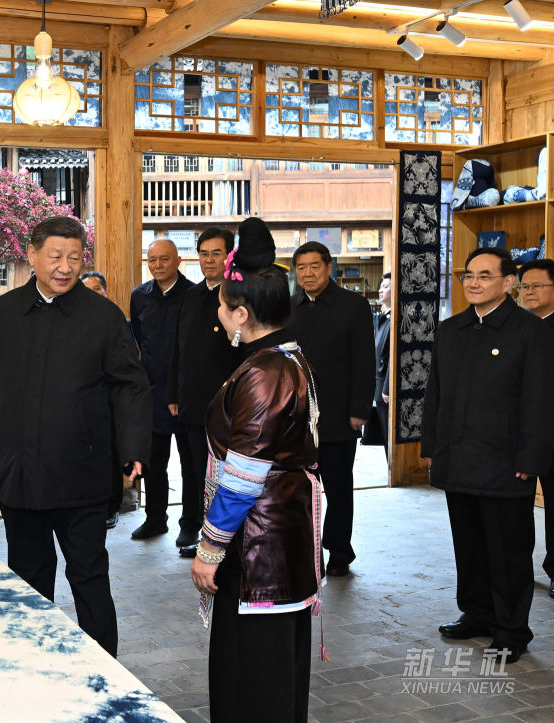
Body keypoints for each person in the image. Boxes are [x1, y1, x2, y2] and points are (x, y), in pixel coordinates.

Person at [0, 216, 151, 656]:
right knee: (27, 576)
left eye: (74, 257)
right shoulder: (7, 311)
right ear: (31, 256)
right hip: (20, 471)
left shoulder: (104, 316)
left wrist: (132, 449)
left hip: (81, 472)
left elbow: (131, 384)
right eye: (55, 256)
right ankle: (33, 662)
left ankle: (105, 666)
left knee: (88, 573)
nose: (65, 267)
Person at [190, 217, 322, 723]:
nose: (218, 316)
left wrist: (209, 549)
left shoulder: (265, 372)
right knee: (265, 668)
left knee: (256, 674)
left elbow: (243, 476)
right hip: (275, 532)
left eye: (222, 307)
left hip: (259, 541)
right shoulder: (282, 357)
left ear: (241, 313)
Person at [423, 247, 554, 664]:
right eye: (468, 275)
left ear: (508, 282)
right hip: (458, 458)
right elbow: (434, 396)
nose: (473, 282)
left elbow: (539, 400)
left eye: (484, 275)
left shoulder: (530, 331)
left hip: (506, 463)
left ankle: (512, 630)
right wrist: (432, 448)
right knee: (470, 545)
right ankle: (476, 614)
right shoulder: (451, 329)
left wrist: (530, 459)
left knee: (508, 551)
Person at [290, 241, 375, 577]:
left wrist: (360, 410)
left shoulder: (353, 305)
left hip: (339, 413)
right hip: (296, 416)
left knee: (338, 488)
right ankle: (307, 553)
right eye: (301, 268)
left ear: (328, 267)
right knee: (301, 488)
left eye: (314, 266)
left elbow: (365, 361)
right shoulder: (289, 306)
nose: (308, 273)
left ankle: (339, 550)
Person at [168, 228, 242, 558]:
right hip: (191, 404)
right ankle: (199, 532)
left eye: (216, 253)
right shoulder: (190, 296)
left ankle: (223, 539)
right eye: (204, 253)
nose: (209, 260)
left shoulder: (238, 297)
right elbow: (178, 350)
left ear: (230, 256)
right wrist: (174, 393)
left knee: (225, 476)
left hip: (227, 408)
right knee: (195, 472)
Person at [130, 240, 196, 543]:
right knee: (154, 462)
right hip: (153, 392)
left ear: (178, 260)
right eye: (152, 259)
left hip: (185, 392)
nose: (157, 265)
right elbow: (139, 343)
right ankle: (155, 519)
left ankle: (190, 523)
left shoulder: (195, 295)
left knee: (190, 464)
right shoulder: (139, 296)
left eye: (164, 259)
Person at [518, 259, 554, 597]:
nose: (528, 291)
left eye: (536, 285)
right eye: (523, 286)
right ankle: (518, 570)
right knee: (517, 510)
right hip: (519, 437)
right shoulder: (517, 328)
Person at [80, 270, 125, 529]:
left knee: (112, 456)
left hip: (113, 401)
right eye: (87, 291)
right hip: (88, 403)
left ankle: (112, 506)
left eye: (97, 290)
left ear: (106, 292)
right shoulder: (77, 324)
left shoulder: (119, 321)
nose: (93, 296)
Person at [373, 272, 392, 460]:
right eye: (381, 285)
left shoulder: (395, 320)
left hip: (386, 387)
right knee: (383, 430)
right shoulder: (383, 317)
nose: (380, 289)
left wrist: (387, 388)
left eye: (386, 287)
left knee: (388, 431)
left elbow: (393, 358)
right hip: (378, 384)